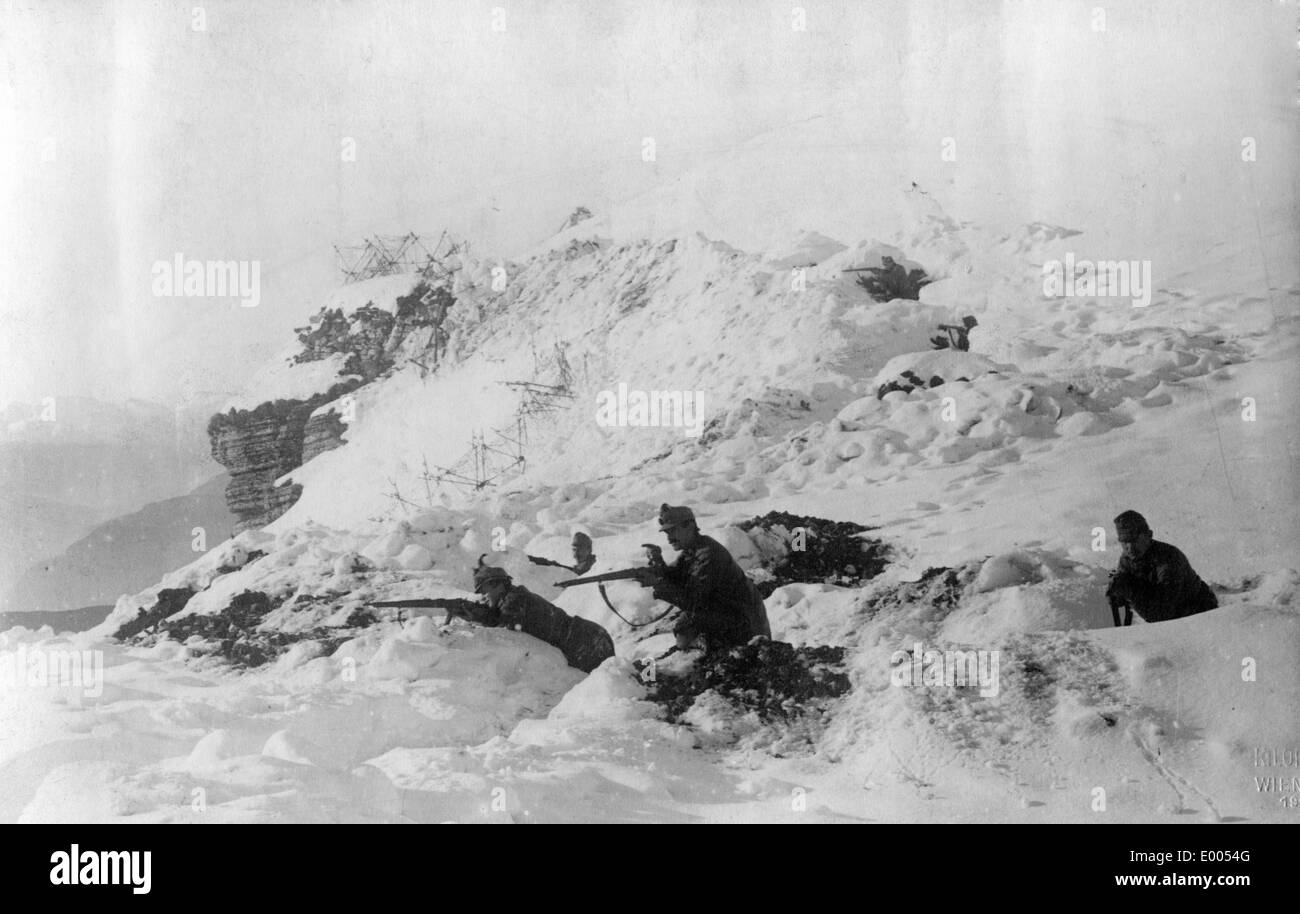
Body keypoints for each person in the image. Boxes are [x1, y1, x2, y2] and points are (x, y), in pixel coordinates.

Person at [635, 504, 771, 654]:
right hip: (732, 615)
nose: (669, 538)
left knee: (688, 626)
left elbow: (693, 600)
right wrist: (658, 562)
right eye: (667, 533)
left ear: (690, 526)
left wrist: (658, 583)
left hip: (747, 626)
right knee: (685, 628)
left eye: (673, 531)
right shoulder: (694, 549)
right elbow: (676, 575)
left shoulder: (708, 554)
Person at [473, 560, 615, 673]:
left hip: (587, 641)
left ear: (499, 586)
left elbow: (505, 631)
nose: (484, 598)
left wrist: (475, 615)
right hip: (587, 636)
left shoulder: (514, 599)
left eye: (485, 593)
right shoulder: (512, 596)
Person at [1106, 510, 1218, 625]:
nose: (1129, 548)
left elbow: (1162, 614)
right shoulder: (1126, 560)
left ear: (1149, 535)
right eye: (1124, 542)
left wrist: (1131, 590)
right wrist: (1116, 594)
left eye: (1135, 540)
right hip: (1173, 621)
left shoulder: (1168, 558)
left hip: (1201, 616)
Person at [524, 531, 596, 575]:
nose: (576, 554)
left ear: (589, 549)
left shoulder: (594, 566)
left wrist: (554, 565)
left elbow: (577, 575)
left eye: (580, 549)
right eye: (574, 549)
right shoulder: (583, 565)